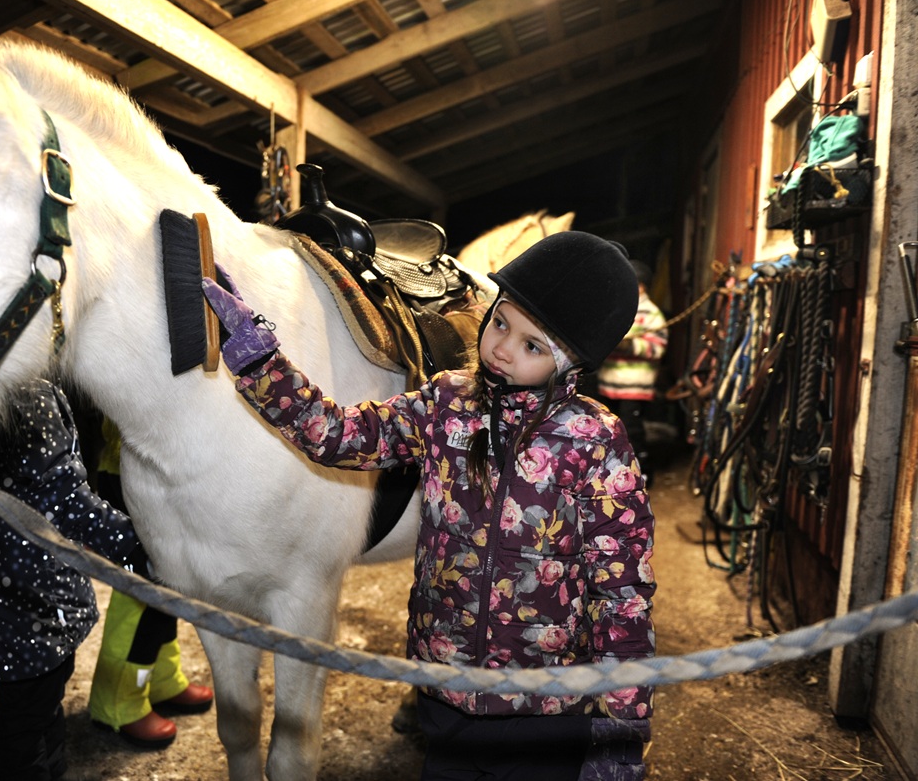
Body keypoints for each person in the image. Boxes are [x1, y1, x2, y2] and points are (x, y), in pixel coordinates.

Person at [202, 231, 656, 780]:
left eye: (532, 345)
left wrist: (619, 734)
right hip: (446, 689)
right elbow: (337, 434)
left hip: (547, 706)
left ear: (569, 364)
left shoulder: (595, 441)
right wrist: (259, 359)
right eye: (501, 322)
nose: (502, 347)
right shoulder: (445, 403)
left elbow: (623, 594)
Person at [0, 379, 148, 781]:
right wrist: (143, 550)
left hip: (10, 579)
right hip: (26, 593)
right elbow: (66, 499)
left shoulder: (8, 388)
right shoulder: (29, 395)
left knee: (38, 705)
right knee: (23, 716)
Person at [87, 420, 214, 749]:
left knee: (169, 583)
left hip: (168, 470)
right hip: (132, 469)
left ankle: (161, 678)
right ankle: (117, 700)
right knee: (141, 589)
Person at [596, 259, 668, 487]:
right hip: (610, 384)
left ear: (641, 287)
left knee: (632, 432)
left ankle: (641, 474)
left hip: (635, 386)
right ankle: (612, 474)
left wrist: (630, 346)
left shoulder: (652, 314)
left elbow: (657, 348)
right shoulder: (618, 309)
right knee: (608, 430)